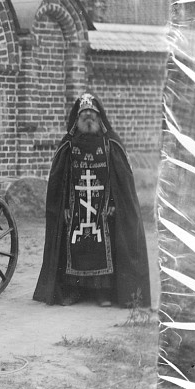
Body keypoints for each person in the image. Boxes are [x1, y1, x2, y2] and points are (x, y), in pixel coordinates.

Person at [33, 93, 152, 308]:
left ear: (99, 116)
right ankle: (74, 290)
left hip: (104, 210)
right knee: (75, 246)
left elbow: (121, 180)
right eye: (84, 112)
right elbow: (60, 180)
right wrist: (65, 206)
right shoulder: (68, 144)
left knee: (102, 247)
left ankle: (103, 293)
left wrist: (114, 203)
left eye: (92, 112)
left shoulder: (110, 143)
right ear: (77, 117)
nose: (88, 116)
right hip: (75, 210)